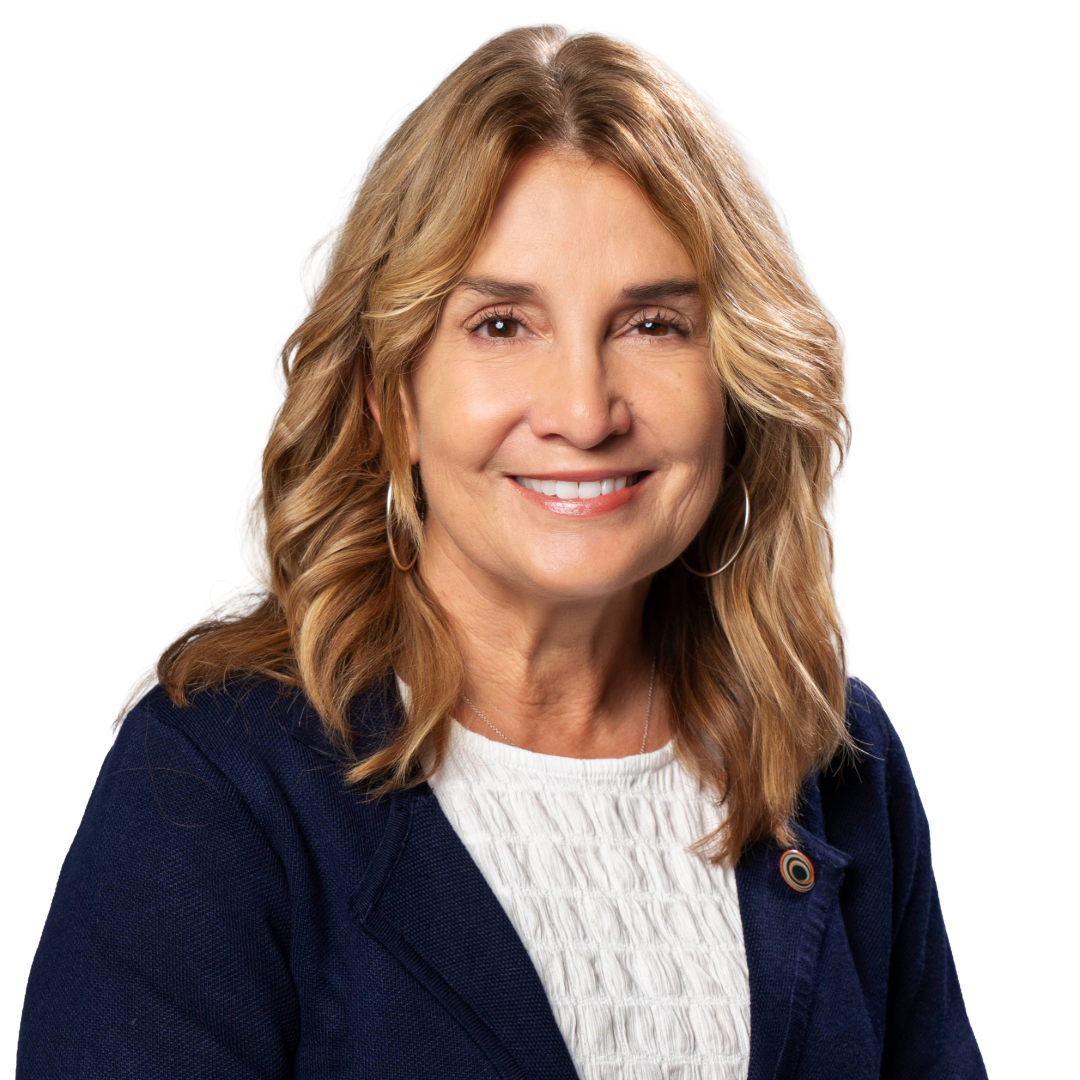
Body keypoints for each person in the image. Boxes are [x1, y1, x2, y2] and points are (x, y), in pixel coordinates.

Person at [17, 24, 987, 1080]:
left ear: (737, 388)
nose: (582, 410)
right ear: (395, 402)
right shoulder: (215, 784)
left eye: (654, 324)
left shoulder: (831, 757)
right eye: (501, 325)